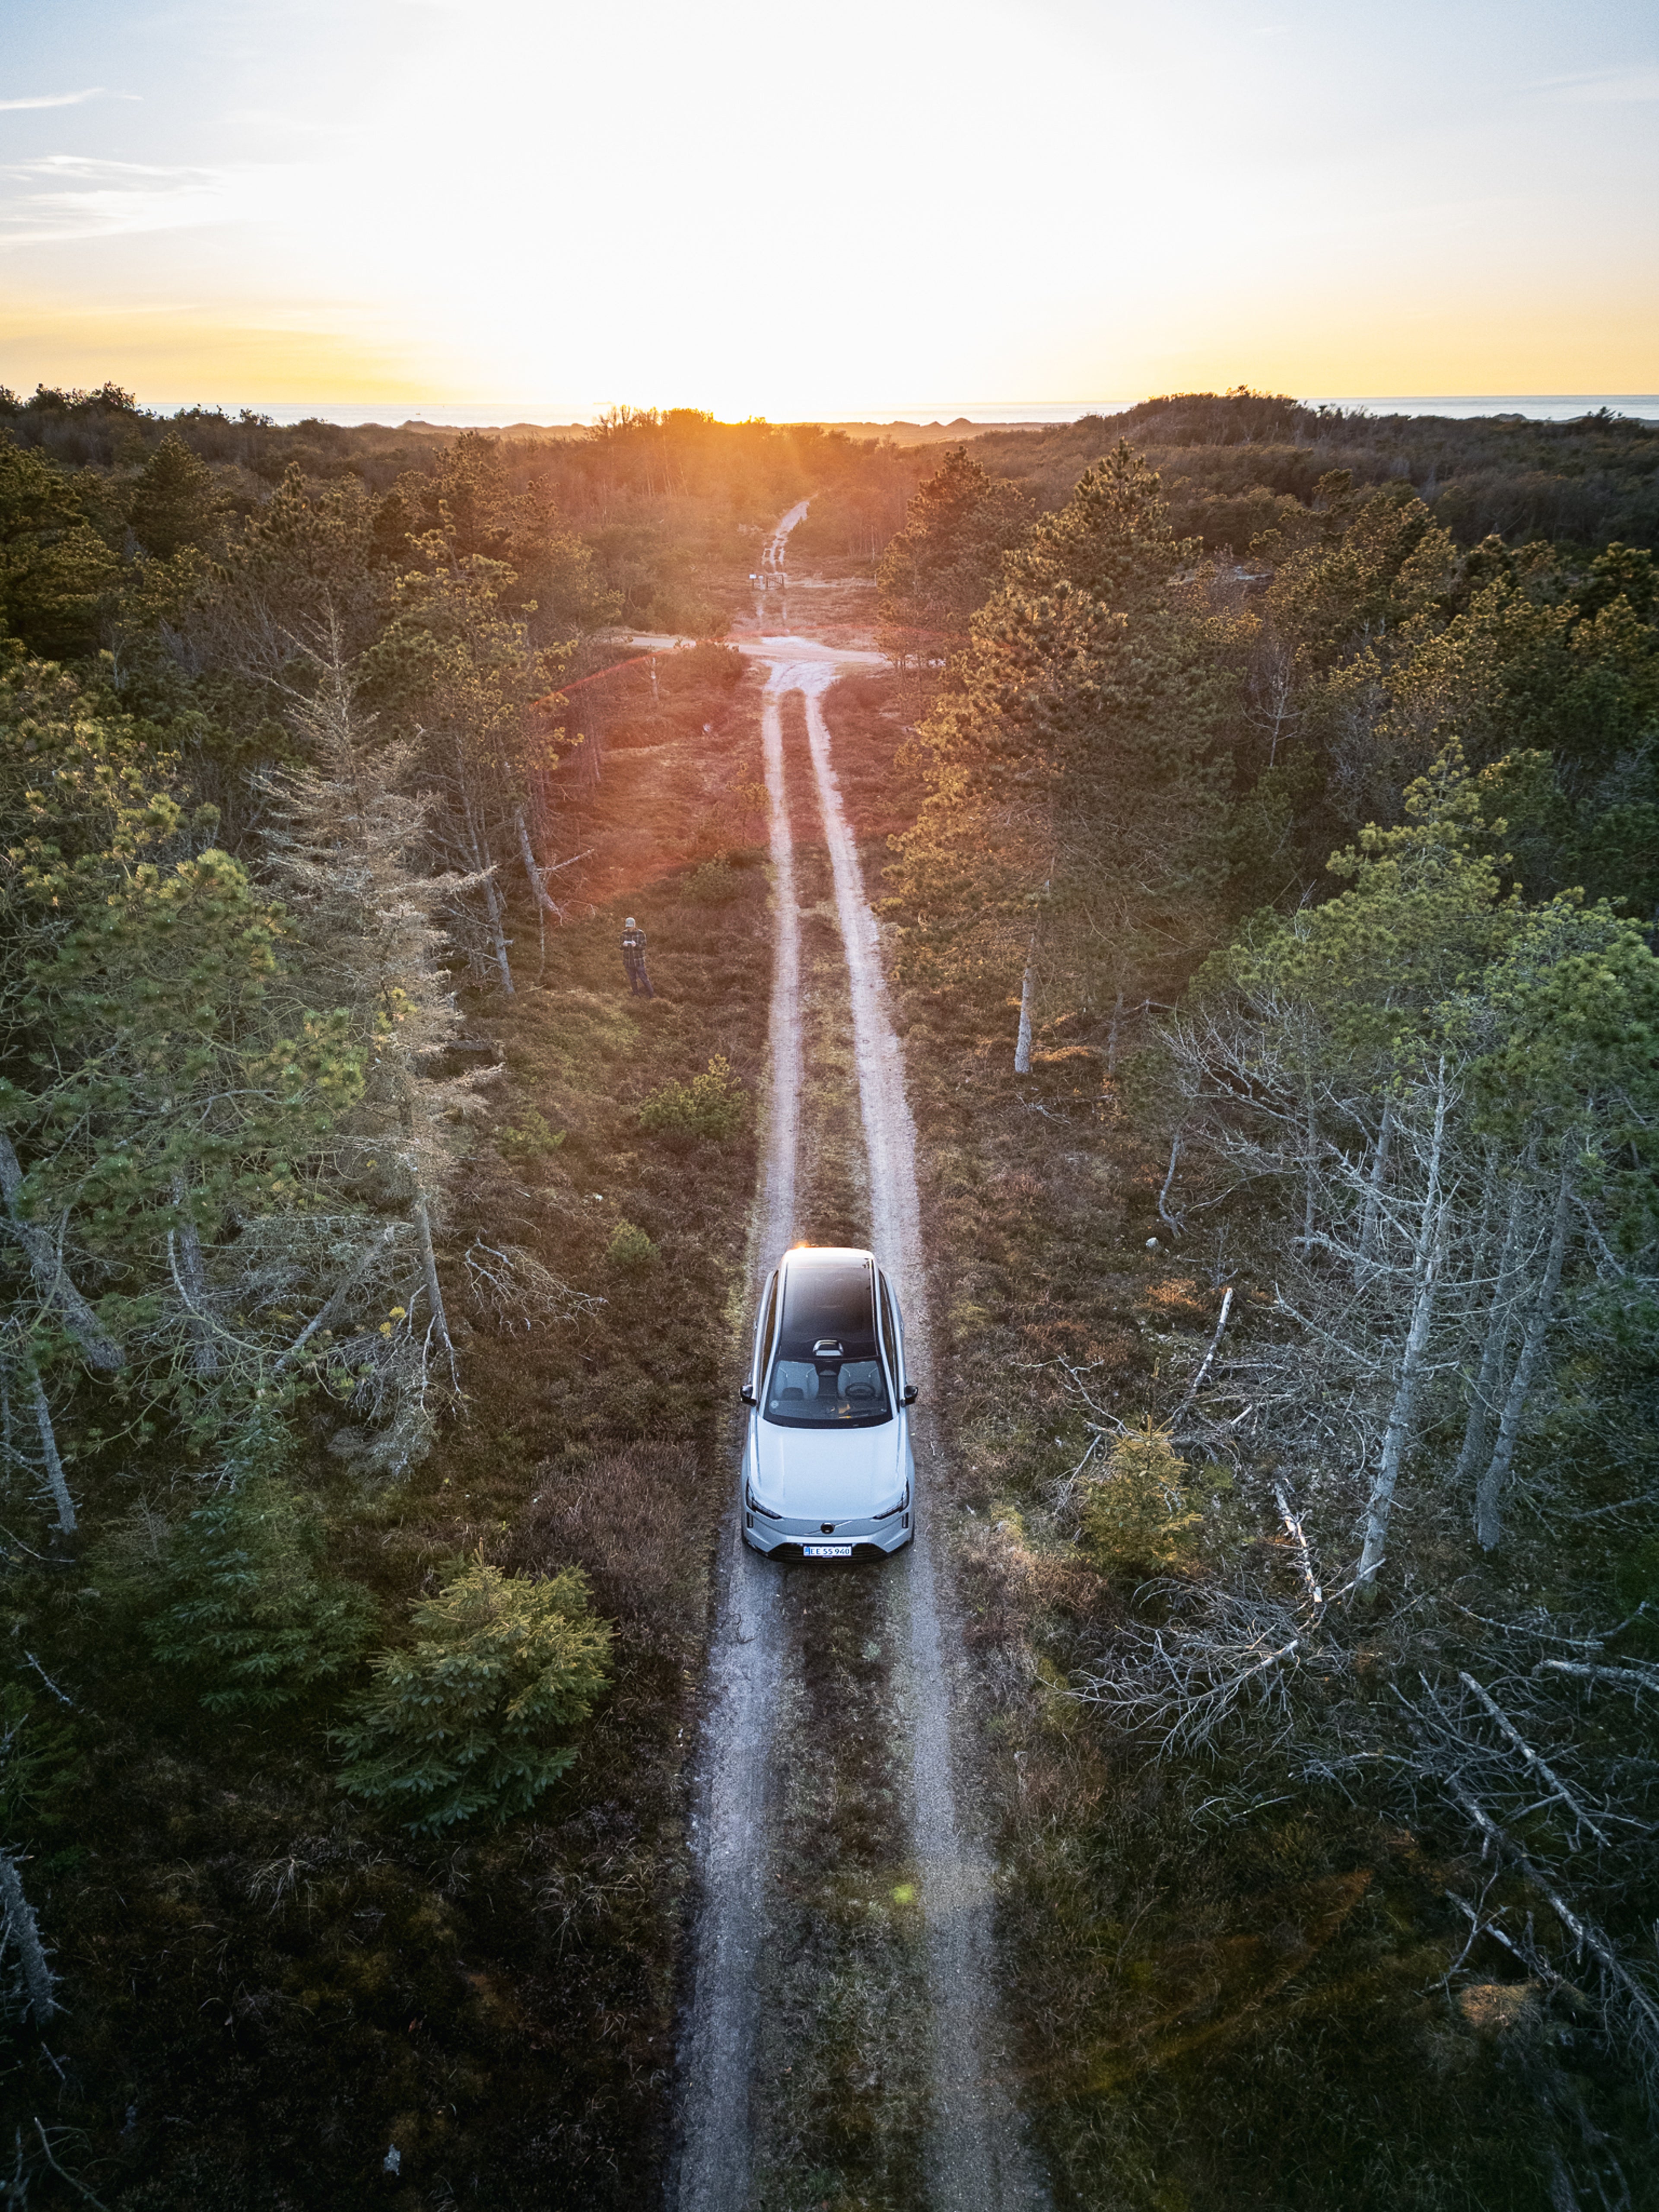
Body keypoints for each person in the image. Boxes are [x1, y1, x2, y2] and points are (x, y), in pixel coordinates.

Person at [621, 915, 654, 998]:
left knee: (644, 979)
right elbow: (620, 947)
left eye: (631, 927)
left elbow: (644, 946)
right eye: (628, 927)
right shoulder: (623, 934)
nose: (630, 929)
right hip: (628, 961)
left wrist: (636, 946)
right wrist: (623, 945)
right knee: (632, 979)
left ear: (635, 925)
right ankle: (636, 994)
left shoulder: (641, 933)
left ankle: (652, 994)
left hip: (639, 961)